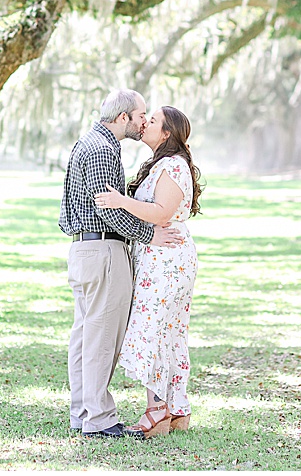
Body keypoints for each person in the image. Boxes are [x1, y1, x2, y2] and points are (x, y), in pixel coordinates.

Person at [58, 89, 182, 439]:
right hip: (102, 253)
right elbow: (109, 211)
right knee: (101, 339)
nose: (144, 121)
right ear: (123, 117)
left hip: (86, 251)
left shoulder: (92, 143)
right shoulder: (101, 150)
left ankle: (82, 414)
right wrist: (150, 235)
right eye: (141, 115)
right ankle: (97, 419)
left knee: (85, 336)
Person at [94, 105, 203, 439]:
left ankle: (157, 412)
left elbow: (160, 212)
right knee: (168, 332)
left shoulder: (173, 165)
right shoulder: (161, 163)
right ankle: (176, 409)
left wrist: (119, 201)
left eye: (152, 121)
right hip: (160, 258)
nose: (144, 123)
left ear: (167, 133)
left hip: (166, 261)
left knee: (154, 330)